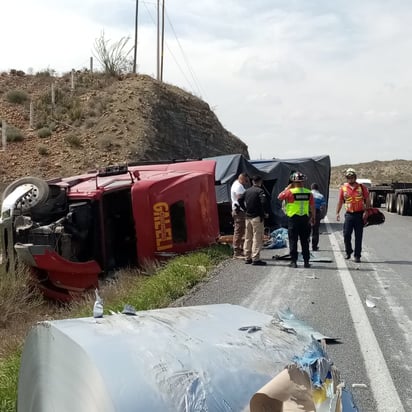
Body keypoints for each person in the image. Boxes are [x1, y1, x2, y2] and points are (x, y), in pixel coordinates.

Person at [278, 171, 315, 268]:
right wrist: (313, 217)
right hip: (305, 219)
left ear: (293, 182)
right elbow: (312, 206)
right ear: (303, 181)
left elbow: (279, 197)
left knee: (293, 240)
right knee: (305, 241)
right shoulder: (309, 192)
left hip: (293, 219)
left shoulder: (290, 192)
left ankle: (293, 262)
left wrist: (287, 188)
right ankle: (306, 262)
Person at [336, 168, 371, 263]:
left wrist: (367, 211)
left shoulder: (361, 187)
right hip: (349, 215)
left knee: (358, 236)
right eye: (348, 177)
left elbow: (367, 199)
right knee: (346, 234)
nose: (350, 179)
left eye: (352, 177)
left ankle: (357, 255)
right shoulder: (343, 188)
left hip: (359, 215)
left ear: (355, 177)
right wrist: (337, 213)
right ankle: (348, 251)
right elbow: (340, 201)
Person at [238, 175, 270, 266]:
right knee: (257, 237)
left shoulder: (247, 191)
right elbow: (263, 201)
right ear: (260, 182)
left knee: (248, 237)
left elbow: (240, 199)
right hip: (257, 217)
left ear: (252, 182)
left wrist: (245, 209)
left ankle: (247, 257)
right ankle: (255, 258)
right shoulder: (260, 191)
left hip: (248, 217)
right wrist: (264, 213)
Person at [230, 173, 249, 258]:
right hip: (239, 211)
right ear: (242, 178)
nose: (246, 182)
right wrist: (245, 209)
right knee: (238, 231)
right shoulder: (238, 187)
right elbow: (240, 199)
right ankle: (236, 252)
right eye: (246, 180)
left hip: (238, 210)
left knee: (241, 231)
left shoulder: (236, 184)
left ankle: (239, 250)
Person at [310, 183, 326, 251]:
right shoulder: (321, 196)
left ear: (311, 188)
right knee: (315, 230)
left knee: (306, 230)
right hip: (317, 213)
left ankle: (305, 244)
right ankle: (314, 246)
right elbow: (322, 206)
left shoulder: (308, 194)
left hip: (308, 212)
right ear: (317, 189)